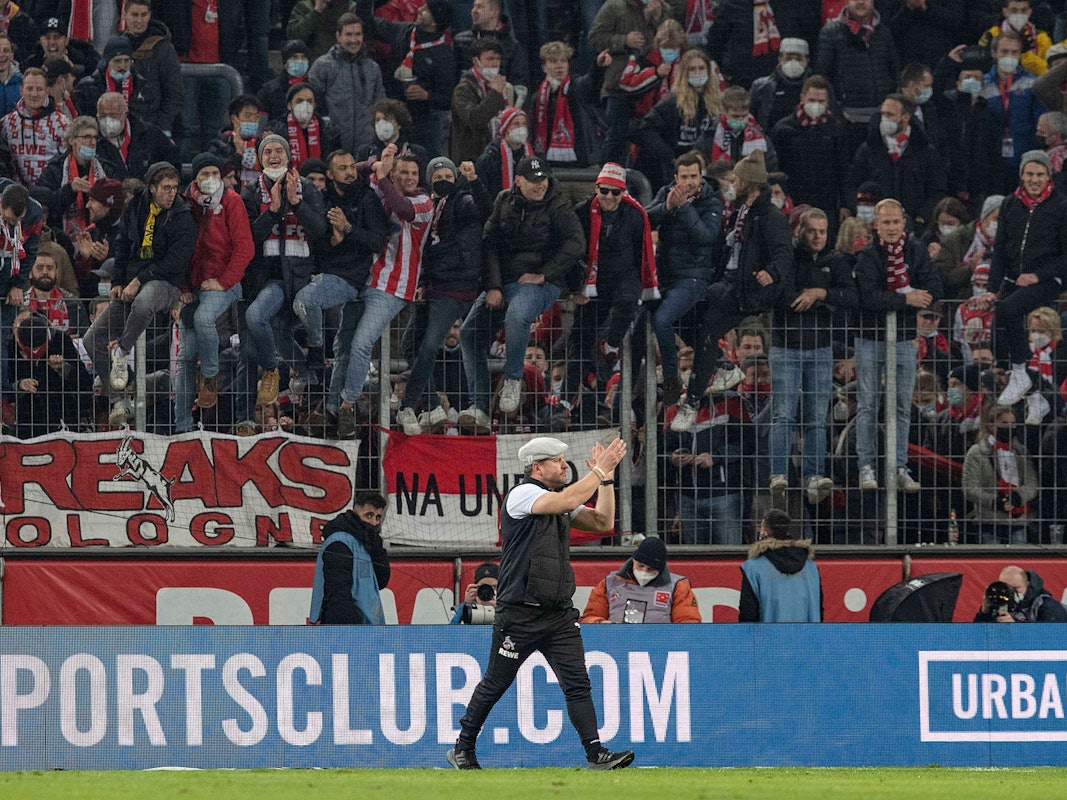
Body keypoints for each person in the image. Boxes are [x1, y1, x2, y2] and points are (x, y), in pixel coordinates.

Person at [446, 435, 636, 771]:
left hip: (557, 613)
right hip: (520, 613)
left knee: (577, 682)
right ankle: (462, 747)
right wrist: (598, 471)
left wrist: (606, 480)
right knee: (496, 682)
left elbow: (603, 522)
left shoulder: (556, 499)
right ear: (537, 467)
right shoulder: (523, 494)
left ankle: (595, 754)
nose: (565, 466)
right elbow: (566, 501)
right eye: (558, 461)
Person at [458, 155, 584, 424]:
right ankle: (479, 406)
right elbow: (489, 241)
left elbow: (576, 243)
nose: (540, 185)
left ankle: (513, 381)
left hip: (541, 283)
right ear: (518, 181)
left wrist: (545, 274)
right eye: (534, 180)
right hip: (504, 282)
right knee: (468, 332)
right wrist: (493, 286)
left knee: (517, 315)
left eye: (544, 179)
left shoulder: (559, 205)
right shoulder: (504, 200)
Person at [672, 149, 791, 433]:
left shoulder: (770, 216)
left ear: (749, 183)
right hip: (726, 281)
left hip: (745, 288)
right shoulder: (742, 211)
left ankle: (692, 402)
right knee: (679, 311)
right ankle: (722, 365)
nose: (732, 184)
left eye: (737, 180)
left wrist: (771, 273)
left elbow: (784, 252)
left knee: (708, 333)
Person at [82, 161, 195, 425]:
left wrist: (138, 280)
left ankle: (121, 352)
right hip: (132, 280)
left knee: (143, 303)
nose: (172, 193)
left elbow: (175, 262)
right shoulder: (135, 207)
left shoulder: (183, 216)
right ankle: (119, 398)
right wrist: (118, 282)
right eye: (166, 188)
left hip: (165, 283)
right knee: (92, 339)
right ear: (152, 188)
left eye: (175, 188)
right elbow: (122, 246)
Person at [394, 156, 490, 435]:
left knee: (429, 346)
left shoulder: (462, 200)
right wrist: (423, 282)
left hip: (455, 286)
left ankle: (408, 406)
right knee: (410, 345)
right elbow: (426, 251)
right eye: (437, 177)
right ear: (429, 180)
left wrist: (474, 182)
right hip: (432, 286)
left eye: (448, 176)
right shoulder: (429, 206)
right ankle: (433, 406)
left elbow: (484, 211)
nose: (443, 180)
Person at [853, 198, 943, 492]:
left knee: (903, 406)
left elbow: (934, 287)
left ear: (903, 223)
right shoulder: (867, 255)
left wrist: (899, 299)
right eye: (886, 222)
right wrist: (906, 299)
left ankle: (899, 467)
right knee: (868, 405)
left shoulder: (916, 251)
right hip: (869, 338)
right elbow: (868, 297)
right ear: (876, 225)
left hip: (904, 338)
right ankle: (866, 466)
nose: (891, 227)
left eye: (895, 222)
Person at [768, 208, 857, 504]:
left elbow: (851, 296)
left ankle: (814, 477)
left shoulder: (836, 262)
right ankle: (778, 474)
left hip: (821, 348)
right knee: (783, 414)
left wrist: (819, 294)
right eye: (812, 231)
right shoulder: (788, 259)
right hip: (785, 346)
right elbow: (783, 296)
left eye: (823, 231)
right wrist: (824, 299)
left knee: (816, 418)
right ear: (800, 231)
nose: (818, 237)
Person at [292, 147, 390, 408]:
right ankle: (333, 409)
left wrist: (347, 229)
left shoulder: (367, 198)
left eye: (351, 167)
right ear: (330, 174)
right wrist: (334, 240)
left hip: (352, 278)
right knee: (343, 349)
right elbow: (318, 242)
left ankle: (315, 350)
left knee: (305, 301)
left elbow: (377, 241)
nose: (349, 173)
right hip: (326, 273)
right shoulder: (322, 199)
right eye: (342, 169)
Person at [173, 152, 254, 433]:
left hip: (226, 283)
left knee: (204, 319)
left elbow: (245, 248)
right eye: (205, 174)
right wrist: (184, 288)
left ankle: (210, 376)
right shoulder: (186, 204)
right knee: (185, 358)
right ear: (195, 178)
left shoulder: (232, 201)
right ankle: (182, 426)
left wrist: (223, 281)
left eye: (215, 173)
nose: (211, 179)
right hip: (194, 285)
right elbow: (180, 248)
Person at [982, 151, 1067, 409]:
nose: (1034, 179)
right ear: (1022, 175)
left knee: (1009, 309)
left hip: (1049, 278)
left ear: (1048, 176)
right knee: (998, 334)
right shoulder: (1010, 204)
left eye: (1040, 174)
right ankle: (1035, 394)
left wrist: (1038, 275)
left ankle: (1020, 372)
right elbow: (1000, 250)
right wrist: (991, 289)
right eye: (1029, 174)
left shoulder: (1061, 205)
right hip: (1014, 278)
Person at [641, 150, 722, 406]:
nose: (689, 182)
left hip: (693, 276)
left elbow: (706, 237)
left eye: (694, 176)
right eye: (684, 177)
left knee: (663, 319)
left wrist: (684, 207)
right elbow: (644, 221)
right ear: (676, 178)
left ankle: (670, 379)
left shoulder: (712, 201)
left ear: (701, 176)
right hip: (665, 276)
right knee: (666, 326)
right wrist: (667, 207)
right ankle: (722, 362)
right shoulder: (667, 194)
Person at [306, 12, 385, 158]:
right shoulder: (322, 66)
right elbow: (312, 104)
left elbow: (381, 105)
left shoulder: (373, 68)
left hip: (366, 146)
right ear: (338, 36)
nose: (354, 40)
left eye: (358, 34)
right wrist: (328, 130)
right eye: (348, 34)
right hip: (332, 146)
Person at [308, 490, 390, 625]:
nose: (374, 522)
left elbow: (381, 581)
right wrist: (352, 630)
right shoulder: (339, 543)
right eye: (369, 515)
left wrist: (377, 549)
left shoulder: (366, 543)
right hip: (347, 626)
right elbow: (338, 594)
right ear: (355, 510)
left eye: (378, 517)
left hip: (366, 625)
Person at [962, 404, 1039, 543]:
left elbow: (1032, 483)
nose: (1009, 427)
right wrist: (994, 501)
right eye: (1004, 423)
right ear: (991, 425)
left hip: (1018, 521)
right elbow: (970, 488)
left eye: (1012, 423)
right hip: (988, 521)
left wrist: (1018, 497)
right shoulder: (977, 452)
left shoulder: (1021, 452)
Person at [581, 536, 701, 624]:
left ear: (660, 569)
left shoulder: (677, 586)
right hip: (615, 643)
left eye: (651, 569)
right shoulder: (610, 583)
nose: (644, 571)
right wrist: (599, 623)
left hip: (660, 644)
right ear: (634, 560)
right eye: (640, 566)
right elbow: (589, 618)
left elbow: (689, 625)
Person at [738, 508, 822, 623]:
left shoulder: (753, 567)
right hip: (807, 633)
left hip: (769, 633)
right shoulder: (811, 567)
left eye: (761, 527)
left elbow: (748, 612)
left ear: (765, 532)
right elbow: (819, 607)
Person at [0, 180, 44, 392]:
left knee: (0, 339)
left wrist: (18, 285)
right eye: (8, 220)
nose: (11, 224)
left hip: (8, 282)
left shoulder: (34, 213)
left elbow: (31, 251)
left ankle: (1, 397)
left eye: (16, 221)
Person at [120, 0, 184, 138]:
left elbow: (174, 93)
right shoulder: (116, 46)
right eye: (134, 15)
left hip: (154, 127)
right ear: (124, 15)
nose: (139, 20)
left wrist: (161, 126)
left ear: (150, 15)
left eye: (143, 15)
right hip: (122, 127)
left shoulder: (164, 49)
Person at [450, 36, 513, 165]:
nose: (495, 63)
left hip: (497, 154)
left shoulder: (504, 87)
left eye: (498, 59)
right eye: (490, 59)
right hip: (471, 158)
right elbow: (474, 119)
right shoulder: (463, 89)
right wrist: (495, 94)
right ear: (476, 61)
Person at [1, 67, 69, 185]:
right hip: (15, 191)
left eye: (39, 89)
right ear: (21, 90)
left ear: (47, 91)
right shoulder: (6, 123)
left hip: (50, 190)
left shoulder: (62, 123)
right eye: (29, 88)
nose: (34, 94)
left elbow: (67, 162)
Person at [974, 565, 1067, 622]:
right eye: (1006, 588)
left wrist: (1016, 627)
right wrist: (984, 612)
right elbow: (977, 637)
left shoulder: (1046, 605)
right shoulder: (998, 602)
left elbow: (1052, 638)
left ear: (1027, 584)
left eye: (1015, 588)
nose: (1011, 593)